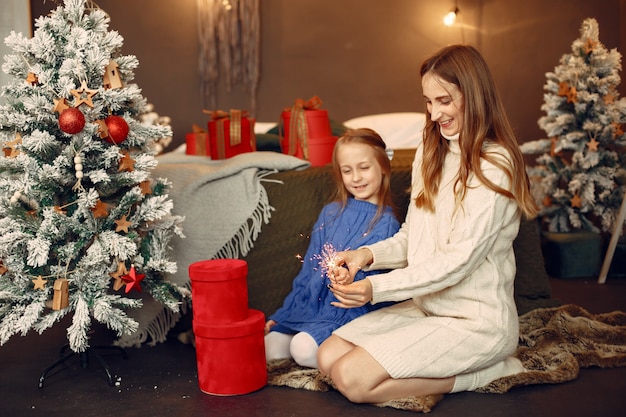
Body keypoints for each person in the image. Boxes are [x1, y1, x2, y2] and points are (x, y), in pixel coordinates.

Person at [317, 44, 539, 404]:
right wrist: (365, 255)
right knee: (327, 357)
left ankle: (488, 371)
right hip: (427, 307)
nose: (435, 113)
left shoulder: (496, 164)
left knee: (352, 380)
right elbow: (413, 237)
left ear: (473, 95)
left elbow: (458, 262)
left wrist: (376, 288)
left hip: (475, 323)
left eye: (444, 100)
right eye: (428, 101)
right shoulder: (431, 148)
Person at [264, 128, 401, 369]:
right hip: (313, 306)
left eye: (364, 168)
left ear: (383, 166)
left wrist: (348, 279)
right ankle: (312, 337)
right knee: (269, 348)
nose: (356, 178)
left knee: (302, 350)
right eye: (347, 171)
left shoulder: (386, 224)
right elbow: (307, 273)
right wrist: (284, 313)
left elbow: (372, 287)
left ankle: (355, 356)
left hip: (349, 312)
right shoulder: (330, 213)